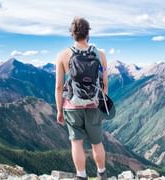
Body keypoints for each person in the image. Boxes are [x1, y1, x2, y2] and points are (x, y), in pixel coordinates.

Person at [55, 17, 108, 180]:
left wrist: (59, 110)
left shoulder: (63, 55)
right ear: (88, 33)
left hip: (71, 106)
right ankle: (102, 174)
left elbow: (58, 86)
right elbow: (105, 83)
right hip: (93, 105)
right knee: (97, 143)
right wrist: (101, 102)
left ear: (72, 34)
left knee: (76, 143)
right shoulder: (100, 54)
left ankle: (81, 176)